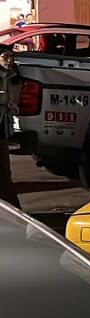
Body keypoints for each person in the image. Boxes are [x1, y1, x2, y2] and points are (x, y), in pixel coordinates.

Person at [0, 46, 21, 207]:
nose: (9, 60)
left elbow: (14, 101)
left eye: (12, 57)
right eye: (5, 57)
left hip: (3, 126)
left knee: (5, 170)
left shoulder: (14, 76)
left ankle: (12, 207)